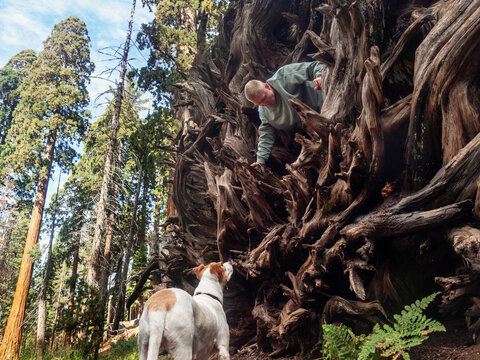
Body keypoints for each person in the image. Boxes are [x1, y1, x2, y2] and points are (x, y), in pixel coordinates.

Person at [244, 61, 324, 168]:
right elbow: (266, 135)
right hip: (314, 133)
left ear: (267, 86)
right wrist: (260, 160)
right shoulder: (263, 111)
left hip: (326, 105)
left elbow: (314, 66)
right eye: (259, 103)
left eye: (264, 98)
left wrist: (320, 77)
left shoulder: (284, 77)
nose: (265, 104)